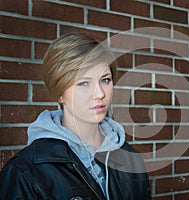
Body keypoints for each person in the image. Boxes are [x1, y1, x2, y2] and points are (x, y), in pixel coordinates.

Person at [0, 33, 151, 200]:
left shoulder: (131, 160)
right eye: (83, 83)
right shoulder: (24, 172)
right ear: (60, 94)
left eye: (105, 80)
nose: (99, 93)